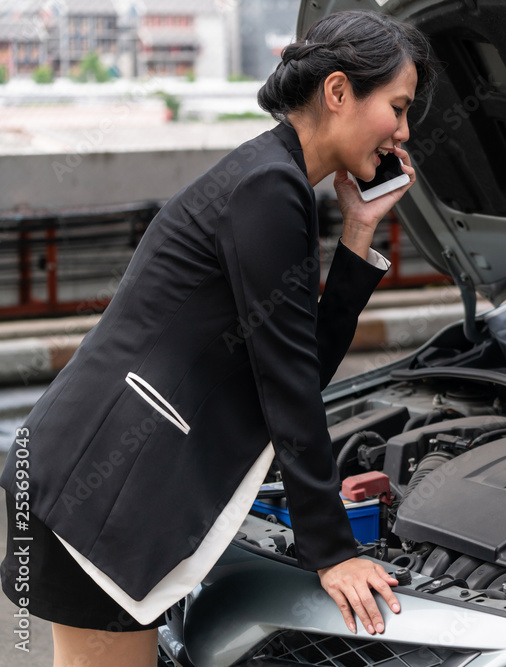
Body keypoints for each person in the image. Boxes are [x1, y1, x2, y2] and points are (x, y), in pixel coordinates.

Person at [0, 10, 438, 666]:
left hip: (88, 481)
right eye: (398, 108)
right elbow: (289, 389)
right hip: (98, 494)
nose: (403, 132)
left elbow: (297, 365)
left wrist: (357, 231)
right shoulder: (268, 189)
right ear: (339, 91)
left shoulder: (274, 179)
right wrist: (333, 550)